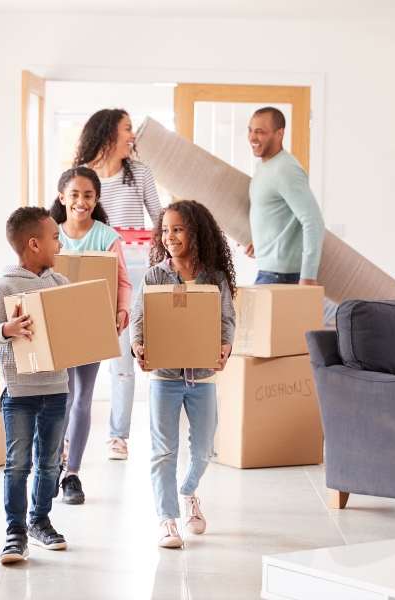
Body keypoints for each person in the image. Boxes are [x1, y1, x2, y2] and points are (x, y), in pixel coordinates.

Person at [129, 200, 236, 548]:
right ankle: (167, 519)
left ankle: (188, 492)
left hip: (202, 376)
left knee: (204, 450)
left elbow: (227, 321)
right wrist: (138, 346)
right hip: (164, 375)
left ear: (196, 232)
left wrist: (225, 346)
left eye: (177, 229)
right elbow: (139, 319)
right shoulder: (155, 276)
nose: (169, 237)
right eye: (165, 230)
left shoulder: (214, 278)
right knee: (163, 451)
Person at [0, 206, 71, 564]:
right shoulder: (5, 285)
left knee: (49, 463)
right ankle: (15, 531)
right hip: (19, 393)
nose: (59, 242)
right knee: (18, 463)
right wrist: (8, 329)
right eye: (54, 237)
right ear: (34, 244)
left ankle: (40, 520)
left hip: (57, 387)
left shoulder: (59, 283)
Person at [74, 108, 163, 460]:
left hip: (134, 272)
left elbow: (159, 220)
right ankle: (69, 434)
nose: (133, 136)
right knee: (77, 354)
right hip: (93, 271)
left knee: (122, 358)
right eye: (127, 129)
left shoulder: (139, 173)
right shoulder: (83, 179)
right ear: (108, 133)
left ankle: (118, 436)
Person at [49, 166, 133, 505]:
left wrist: (121, 313)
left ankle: (73, 474)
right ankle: (52, 465)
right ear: (62, 198)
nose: (81, 202)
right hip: (57, 326)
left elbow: (123, 282)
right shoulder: (50, 232)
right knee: (61, 399)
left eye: (88, 196)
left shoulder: (106, 237)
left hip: (93, 325)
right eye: (74, 195)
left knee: (82, 398)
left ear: (96, 199)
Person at [244, 107, 325, 287]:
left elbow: (314, 222)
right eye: (250, 130)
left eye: (260, 131)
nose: (252, 137)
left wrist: (308, 276)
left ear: (279, 133)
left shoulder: (286, 169)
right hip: (270, 270)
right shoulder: (263, 167)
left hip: (283, 275)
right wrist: (260, 244)